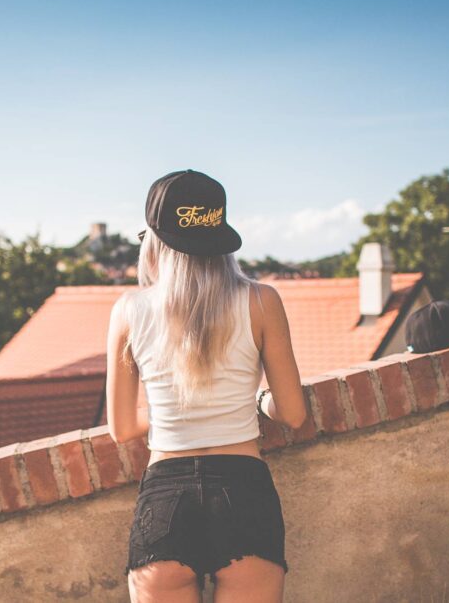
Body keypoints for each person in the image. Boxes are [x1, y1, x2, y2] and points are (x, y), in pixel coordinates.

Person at [107, 169, 307, 603]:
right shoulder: (262, 300)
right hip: (245, 491)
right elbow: (292, 413)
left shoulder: (128, 310)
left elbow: (121, 428)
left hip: (165, 499)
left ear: (154, 241)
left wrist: (171, 410)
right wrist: (253, 398)